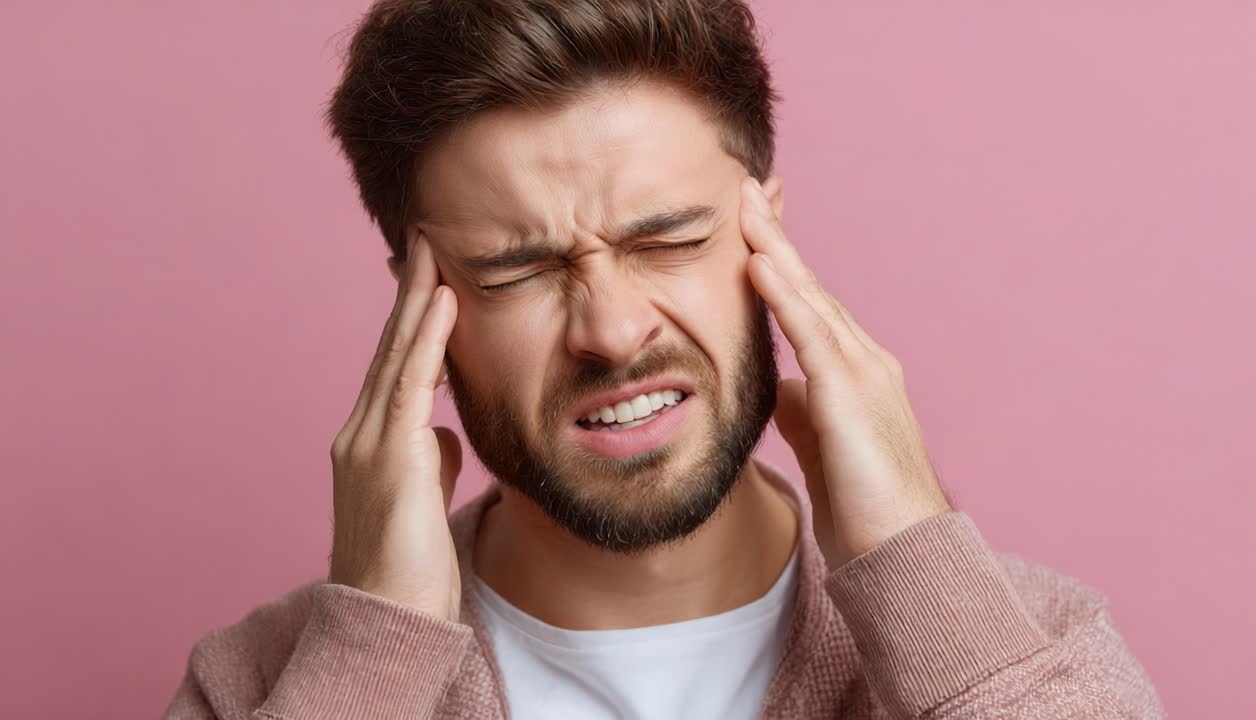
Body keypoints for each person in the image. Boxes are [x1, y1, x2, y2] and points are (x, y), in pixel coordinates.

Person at [165, 1, 1165, 717]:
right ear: (417, 300)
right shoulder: (265, 684)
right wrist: (371, 660)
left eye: (667, 239)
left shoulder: (1023, 651)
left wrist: (919, 570)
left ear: (764, 231)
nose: (610, 329)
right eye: (515, 269)